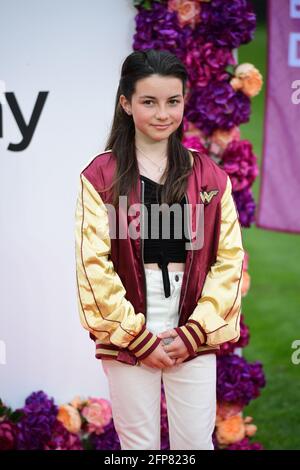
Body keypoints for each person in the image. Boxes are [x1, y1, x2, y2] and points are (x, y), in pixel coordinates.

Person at [75, 49, 245, 450]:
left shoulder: (210, 177)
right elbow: (93, 266)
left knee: (196, 445)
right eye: (148, 102)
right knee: (139, 447)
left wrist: (194, 332)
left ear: (184, 102)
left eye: (173, 101)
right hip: (128, 327)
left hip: (194, 324)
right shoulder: (100, 176)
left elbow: (228, 261)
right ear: (126, 103)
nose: (162, 113)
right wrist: (139, 339)